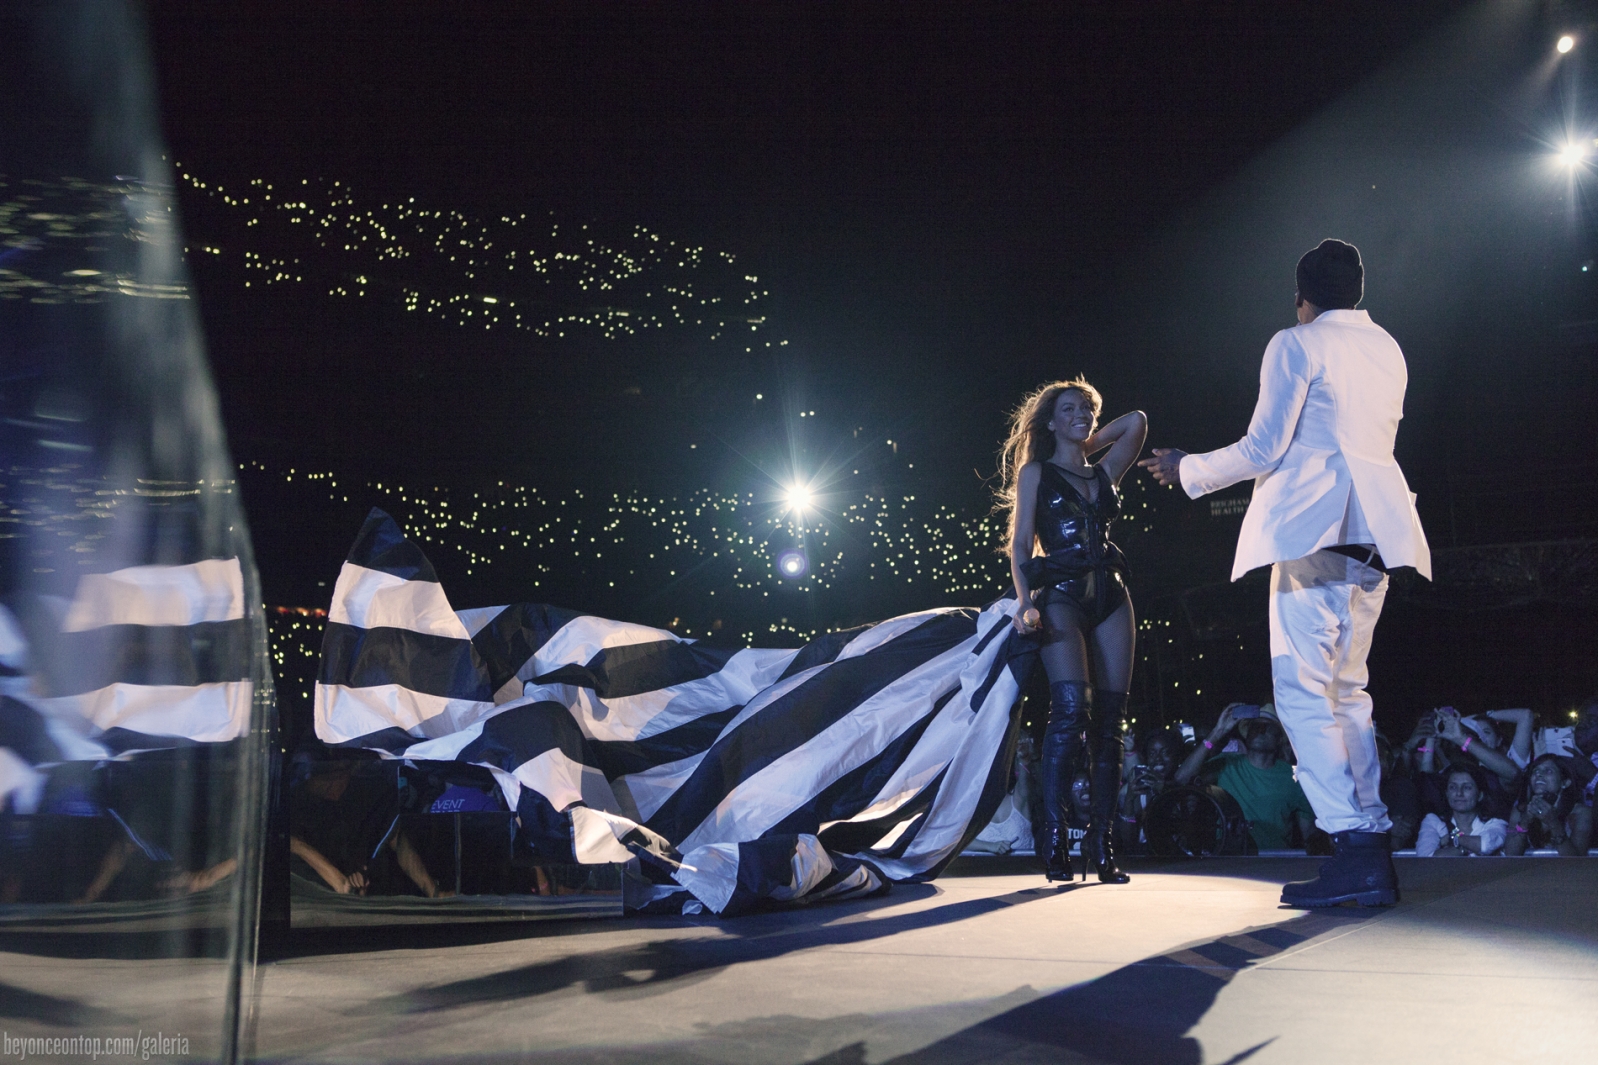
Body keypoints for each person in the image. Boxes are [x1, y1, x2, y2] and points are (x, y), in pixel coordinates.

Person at [1139, 240, 1430, 907]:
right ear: (1357, 290)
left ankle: (1356, 845)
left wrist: (1188, 468)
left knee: (1302, 694)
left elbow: (1265, 446)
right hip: (1375, 535)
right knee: (1348, 695)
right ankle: (1370, 847)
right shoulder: (1388, 347)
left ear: (1302, 295)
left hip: (1316, 531)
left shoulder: (1294, 343)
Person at [1000, 378, 1147, 882]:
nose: (1082, 413)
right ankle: (1055, 836)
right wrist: (1024, 604)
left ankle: (1102, 846)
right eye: (1070, 408)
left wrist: (1084, 436)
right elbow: (1020, 545)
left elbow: (1137, 423)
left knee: (1111, 722)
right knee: (1069, 712)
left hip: (1111, 592)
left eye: (1086, 407)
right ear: (1049, 420)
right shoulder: (1036, 471)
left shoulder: (1104, 472)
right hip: (1060, 592)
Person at [1175, 703, 1315, 851]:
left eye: (1268, 727)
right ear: (1247, 733)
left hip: (1274, 864)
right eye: (1255, 726)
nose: (1260, 730)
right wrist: (1217, 732)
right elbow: (1182, 778)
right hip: (1230, 861)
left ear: (1280, 738)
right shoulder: (1227, 764)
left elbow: (1309, 835)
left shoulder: (1294, 777)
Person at [1503, 755, 1592, 856]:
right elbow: (1511, 855)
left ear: (1565, 783)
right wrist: (1524, 822)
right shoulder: (1520, 810)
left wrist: (1553, 823)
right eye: (1535, 771)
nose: (1539, 774)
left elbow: (1576, 862)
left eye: (1548, 771)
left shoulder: (1581, 813)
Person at [1117, 726, 1185, 853]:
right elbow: (1128, 841)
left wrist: (1164, 789)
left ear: (1176, 756)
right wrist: (1129, 800)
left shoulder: (1186, 788)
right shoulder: (1142, 791)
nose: (1158, 759)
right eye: (1152, 753)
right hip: (1147, 864)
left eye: (1165, 753)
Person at [1414, 765, 1508, 857]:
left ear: (1480, 795)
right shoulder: (1433, 821)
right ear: (1446, 793)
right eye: (1453, 787)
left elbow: (1485, 846)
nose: (1459, 793)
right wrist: (1464, 850)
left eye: (1467, 787)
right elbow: (1426, 858)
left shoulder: (1495, 823)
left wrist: (1452, 839)